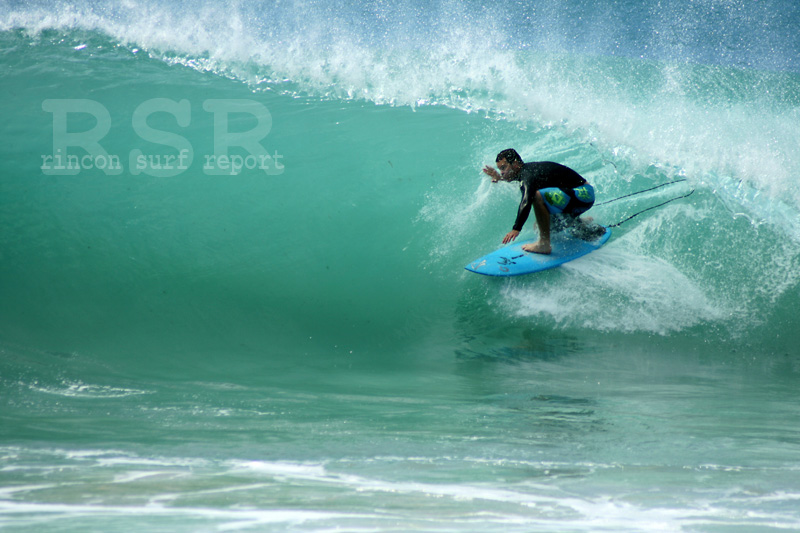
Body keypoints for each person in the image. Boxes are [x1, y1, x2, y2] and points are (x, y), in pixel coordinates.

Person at [482, 148, 603, 254]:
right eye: (500, 169)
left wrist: (516, 228)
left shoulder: (527, 174)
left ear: (515, 164)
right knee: (539, 227)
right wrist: (499, 178)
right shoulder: (524, 172)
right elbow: (512, 178)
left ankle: (544, 244)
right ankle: (578, 222)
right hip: (576, 199)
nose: (502, 172)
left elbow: (527, 199)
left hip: (583, 194)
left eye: (503, 168)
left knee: (537, 196)